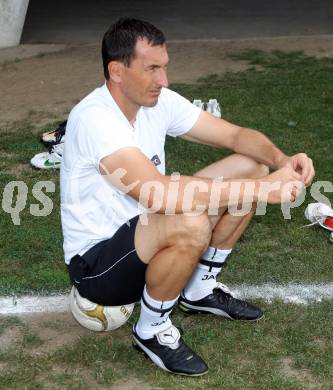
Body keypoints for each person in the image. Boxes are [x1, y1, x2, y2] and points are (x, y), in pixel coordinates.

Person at [60, 18, 315, 376]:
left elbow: (237, 136)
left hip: (149, 230)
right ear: (117, 71)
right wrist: (264, 190)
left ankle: (199, 290)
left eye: (164, 67)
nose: (163, 80)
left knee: (253, 165)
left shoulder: (157, 102)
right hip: (100, 265)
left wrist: (281, 162)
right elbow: (160, 195)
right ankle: (150, 331)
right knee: (189, 216)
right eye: (151, 69)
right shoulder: (94, 119)